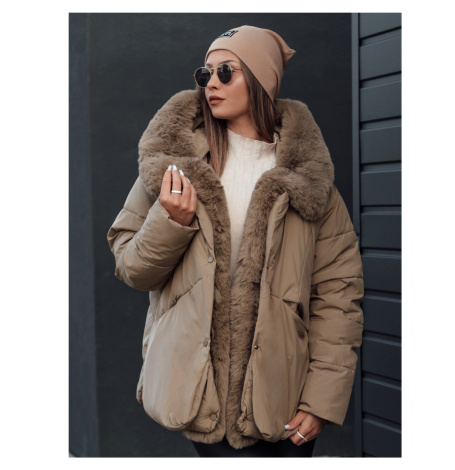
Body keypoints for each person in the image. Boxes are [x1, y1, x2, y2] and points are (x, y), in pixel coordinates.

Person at [107, 25, 364, 458]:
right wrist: (171, 222)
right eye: (205, 73)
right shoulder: (175, 167)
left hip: (282, 399)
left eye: (226, 71)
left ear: (262, 81)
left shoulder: (308, 180)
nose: (211, 83)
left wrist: (322, 399)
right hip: (196, 394)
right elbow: (132, 268)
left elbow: (338, 294)